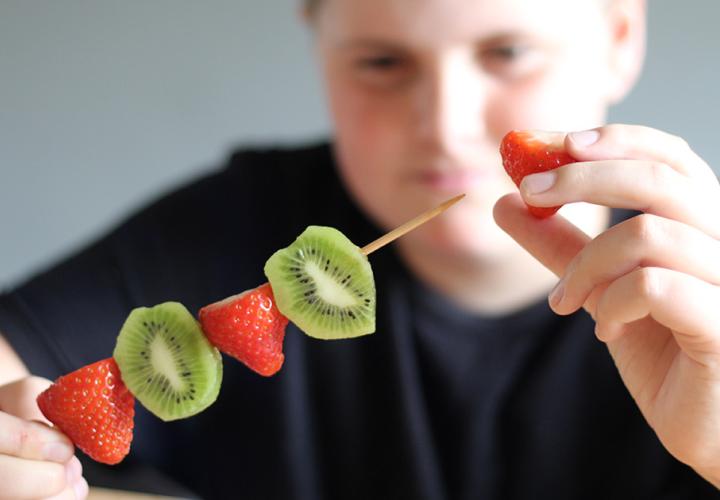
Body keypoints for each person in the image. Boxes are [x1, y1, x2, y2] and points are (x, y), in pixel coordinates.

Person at [1, 0, 718, 498]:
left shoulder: (705, 303)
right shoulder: (234, 224)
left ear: (620, 39)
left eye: (509, 52)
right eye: (381, 63)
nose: (444, 123)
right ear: (319, 51)